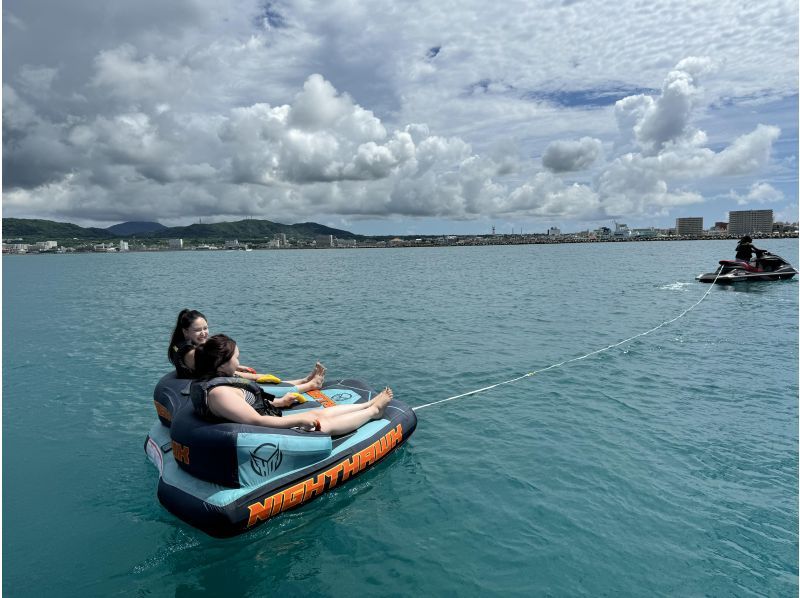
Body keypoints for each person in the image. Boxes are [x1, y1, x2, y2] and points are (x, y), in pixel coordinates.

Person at [192, 334, 393, 433]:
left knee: (317, 413)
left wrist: (278, 403)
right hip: (261, 432)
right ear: (221, 364)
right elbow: (256, 421)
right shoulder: (220, 394)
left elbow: (244, 408)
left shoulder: (220, 382)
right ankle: (373, 412)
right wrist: (298, 420)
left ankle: (367, 405)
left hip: (266, 415)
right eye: (236, 357)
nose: (239, 361)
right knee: (319, 423)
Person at [167, 309, 324, 389]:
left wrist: (236, 365)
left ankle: (302, 381)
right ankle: (304, 384)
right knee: (259, 380)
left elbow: (214, 362)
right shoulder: (190, 353)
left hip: (210, 378)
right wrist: (244, 373)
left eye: (205, 328)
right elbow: (213, 368)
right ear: (185, 331)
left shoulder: (182, 345)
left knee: (258, 377)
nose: (203, 333)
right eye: (197, 330)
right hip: (210, 384)